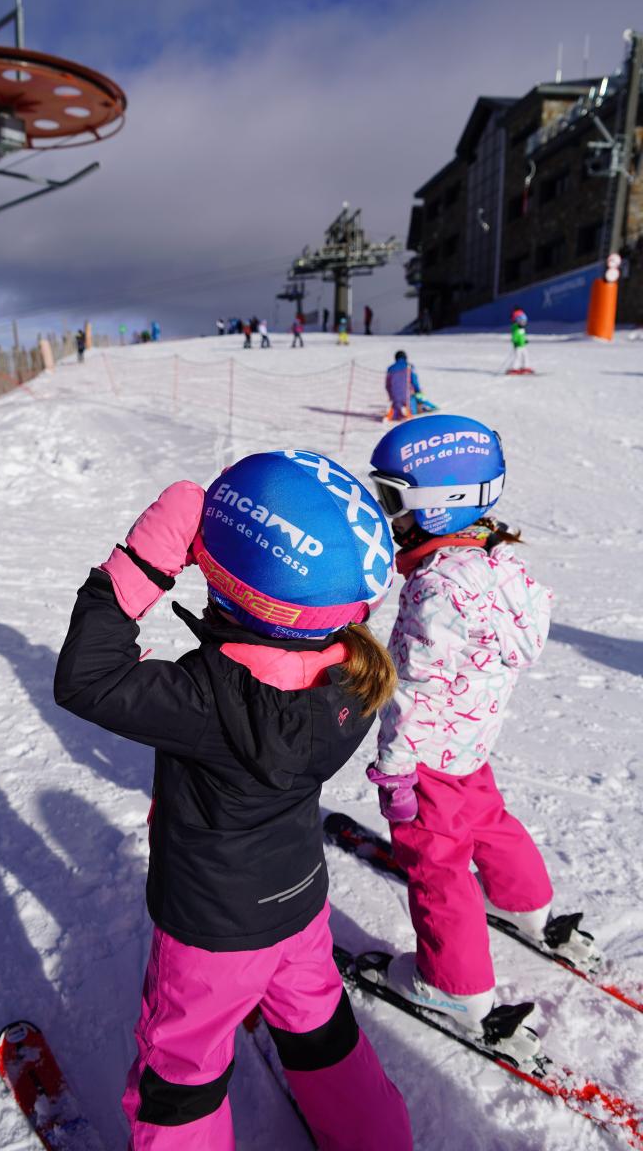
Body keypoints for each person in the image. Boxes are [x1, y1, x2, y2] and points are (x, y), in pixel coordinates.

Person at [54, 451, 413, 1150]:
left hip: (211, 930)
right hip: (300, 901)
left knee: (181, 1067)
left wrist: (145, 560)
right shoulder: (357, 674)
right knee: (319, 1026)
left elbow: (87, 678)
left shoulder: (206, 700)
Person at [366, 415, 597, 1056]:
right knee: (487, 820)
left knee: (436, 861)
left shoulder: (435, 591)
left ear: (436, 506)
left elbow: (411, 690)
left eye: (392, 498)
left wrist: (394, 770)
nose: (387, 514)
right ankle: (527, 905)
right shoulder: (501, 566)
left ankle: (455, 986)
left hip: (428, 757)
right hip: (471, 744)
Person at [506, 309, 532, 375]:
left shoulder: (522, 328)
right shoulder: (516, 328)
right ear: (519, 321)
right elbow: (515, 336)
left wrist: (525, 340)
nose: (524, 323)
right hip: (518, 345)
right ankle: (514, 368)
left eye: (525, 322)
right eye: (522, 322)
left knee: (525, 355)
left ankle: (525, 367)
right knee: (518, 357)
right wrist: (515, 342)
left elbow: (522, 336)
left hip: (522, 345)